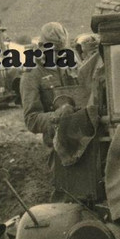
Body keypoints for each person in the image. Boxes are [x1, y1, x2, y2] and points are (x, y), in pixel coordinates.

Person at [22, 22, 100, 200]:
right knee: (67, 197)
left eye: (61, 50)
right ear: (41, 47)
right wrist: (57, 116)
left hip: (87, 138)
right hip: (60, 147)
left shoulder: (72, 62)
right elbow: (31, 119)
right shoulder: (32, 74)